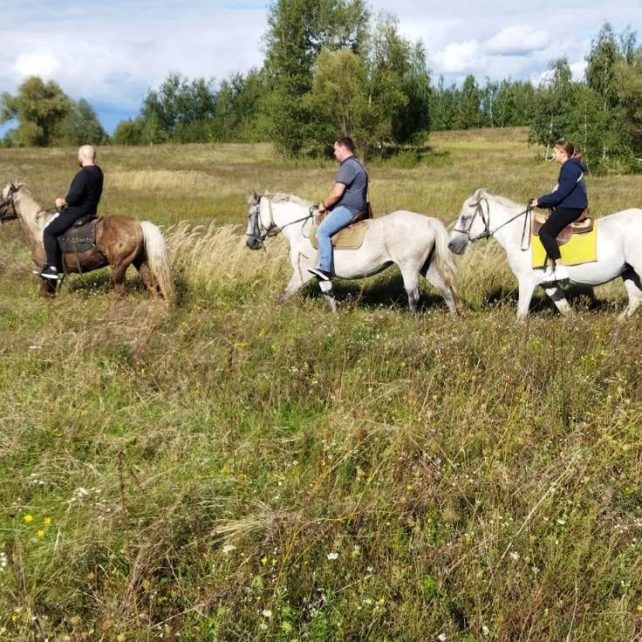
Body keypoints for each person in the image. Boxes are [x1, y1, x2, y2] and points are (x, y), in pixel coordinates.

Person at [39, 144, 104, 280]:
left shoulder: (83, 174)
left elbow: (74, 196)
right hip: (91, 211)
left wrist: (62, 201)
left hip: (77, 211)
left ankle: (51, 267)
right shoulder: (98, 172)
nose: (78, 158)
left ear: (84, 156)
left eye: (79, 156)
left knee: (49, 232)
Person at [308, 136, 368, 281]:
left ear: (343, 148)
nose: (334, 153)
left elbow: (336, 193)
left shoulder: (348, 166)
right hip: (355, 206)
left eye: (335, 149)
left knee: (322, 231)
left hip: (349, 208)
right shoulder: (356, 164)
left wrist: (323, 205)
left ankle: (324, 269)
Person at [529, 139, 588, 285]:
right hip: (570, 205)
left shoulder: (569, 168)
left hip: (571, 207)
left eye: (554, 152)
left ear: (562, 153)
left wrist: (540, 201)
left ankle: (560, 269)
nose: (552, 154)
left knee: (545, 232)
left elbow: (560, 195)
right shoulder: (571, 166)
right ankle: (550, 269)